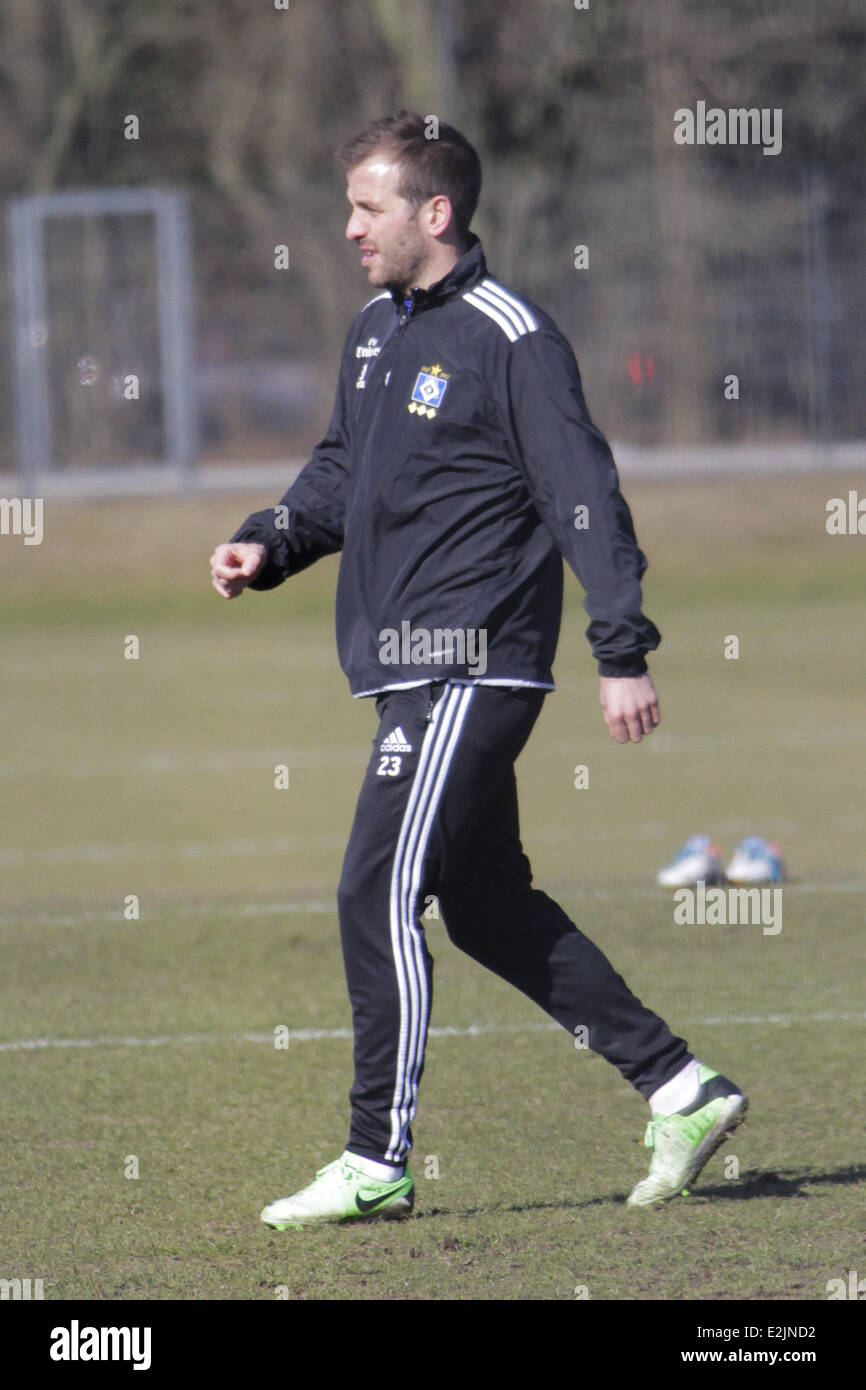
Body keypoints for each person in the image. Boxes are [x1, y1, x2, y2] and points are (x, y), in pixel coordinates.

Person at [210, 111, 746, 1225]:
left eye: (367, 206)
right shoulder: (373, 329)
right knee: (487, 904)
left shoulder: (513, 336)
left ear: (433, 213)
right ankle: (678, 1087)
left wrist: (621, 650)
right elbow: (339, 471)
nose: (348, 226)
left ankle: (375, 1158)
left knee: (375, 888)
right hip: (405, 665)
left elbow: (583, 494)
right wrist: (268, 540)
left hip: (470, 661)